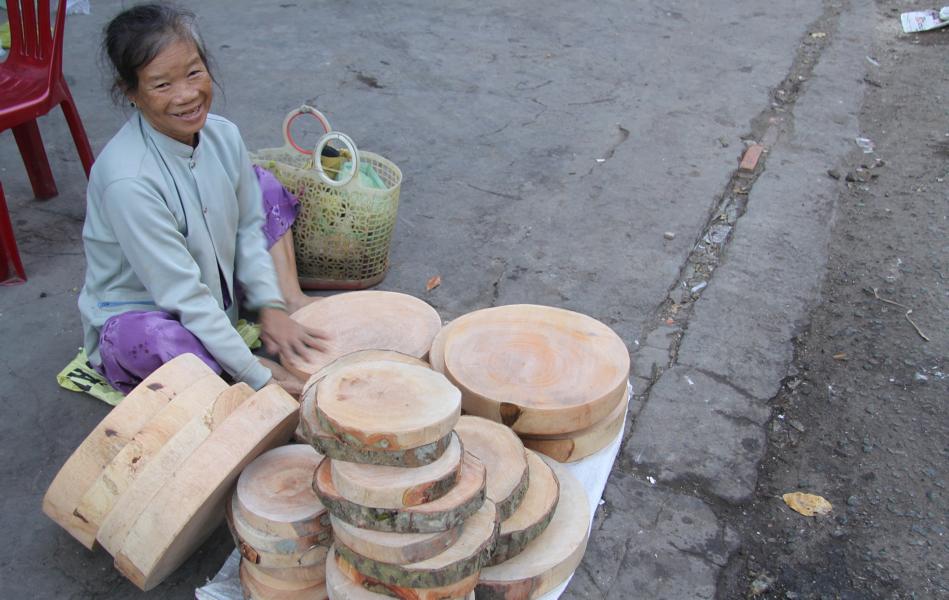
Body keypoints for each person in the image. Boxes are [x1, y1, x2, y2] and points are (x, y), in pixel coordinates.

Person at [78, 3, 324, 396]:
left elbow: (247, 225)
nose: (187, 95)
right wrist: (252, 370)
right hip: (147, 311)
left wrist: (270, 305)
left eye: (194, 72)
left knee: (262, 185)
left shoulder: (223, 135)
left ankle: (291, 299)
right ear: (132, 92)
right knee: (160, 343)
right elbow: (183, 294)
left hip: (215, 286)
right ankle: (223, 370)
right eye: (162, 84)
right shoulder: (129, 181)